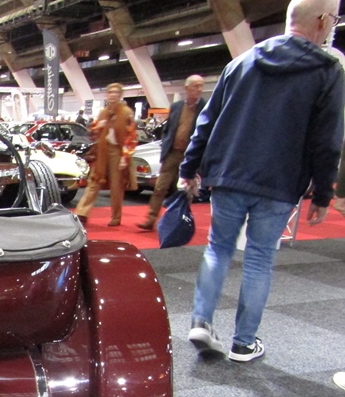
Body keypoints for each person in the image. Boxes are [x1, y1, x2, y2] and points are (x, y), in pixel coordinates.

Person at [182, 0, 344, 363]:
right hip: (280, 182)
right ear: (322, 21)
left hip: (229, 175)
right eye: (333, 19)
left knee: (218, 249)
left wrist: (188, 168)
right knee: (259, 259)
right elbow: (327, 139)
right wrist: (323, 193)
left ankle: (201, 321)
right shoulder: (327, 70)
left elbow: (207, 121)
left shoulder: (241, 62)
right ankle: (243, 343)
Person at [137, 75, 206, 231]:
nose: (199, 89)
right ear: (187, 88)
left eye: (201, 85)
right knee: (160, 187)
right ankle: (151, 219)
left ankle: (179, 222)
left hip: (191, 156)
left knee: (185, 191)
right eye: (196, 85)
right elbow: (168, 129)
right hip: (172, 153)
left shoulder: (205, 108)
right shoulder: (176, 106)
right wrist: (166, 146)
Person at [74, 82, 137, 226]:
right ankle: (82, 212)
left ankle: (116, 216)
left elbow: (131, 136)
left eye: (116, 92)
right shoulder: (103, 112)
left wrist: (125, 156)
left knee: (116, 185)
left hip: (117, 152)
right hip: (102, 151)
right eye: (110, 92)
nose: (113, 95)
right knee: (94, 181)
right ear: (107, 95)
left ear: (120, 95)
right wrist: (98, 127)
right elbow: (93, 133)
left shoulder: (126, 112)